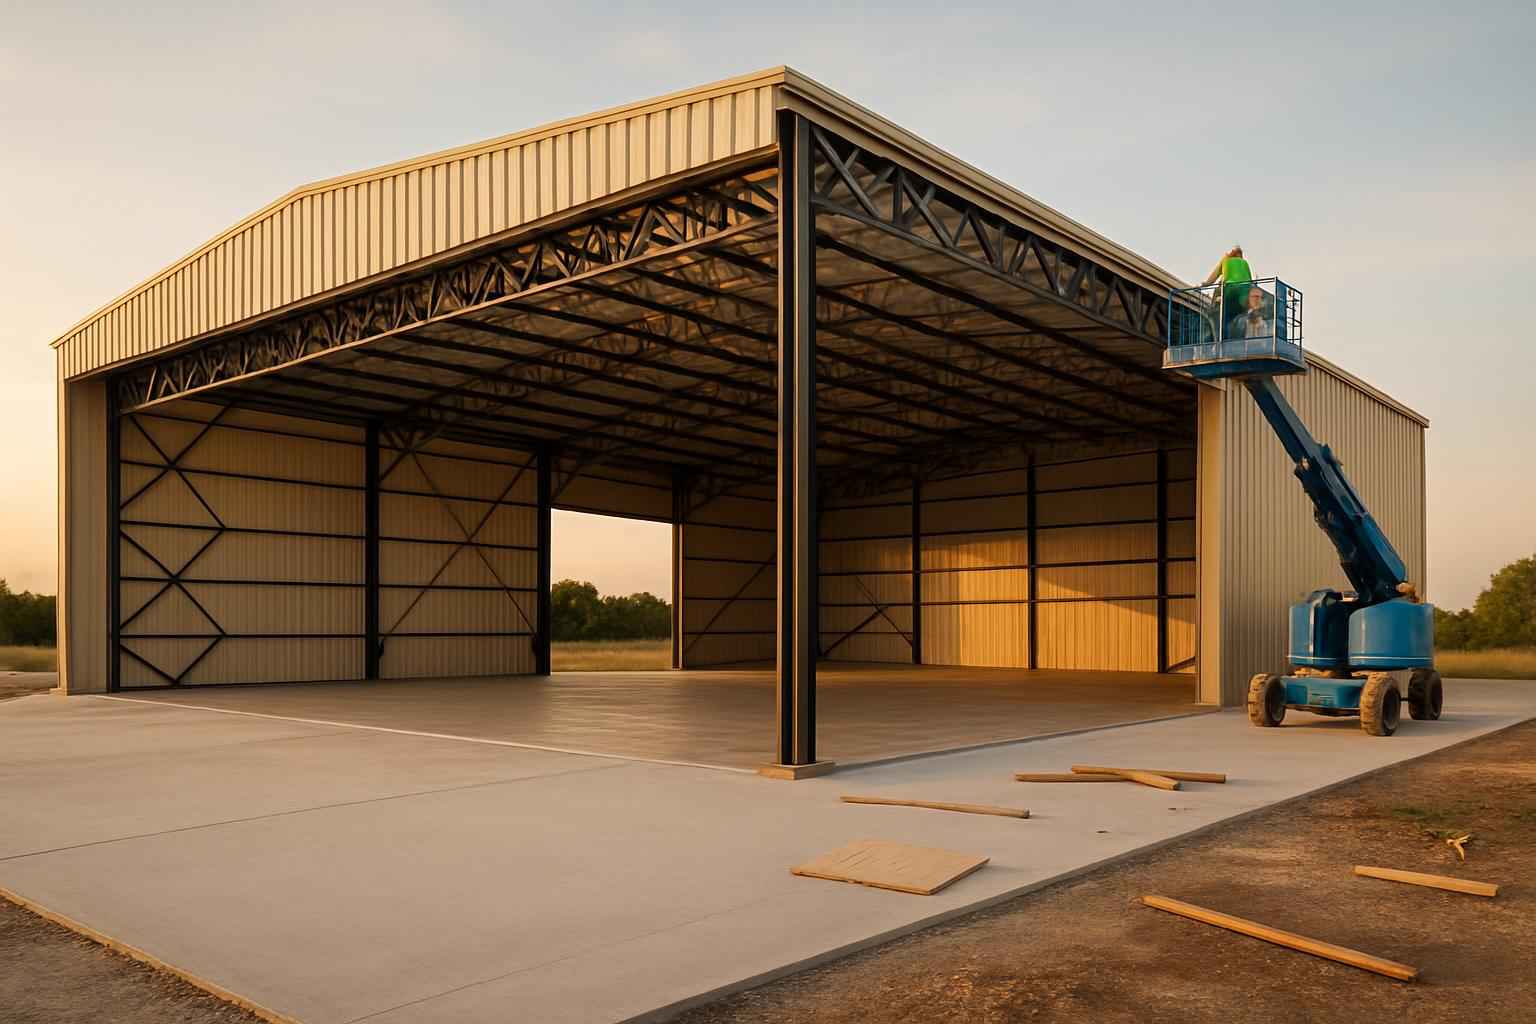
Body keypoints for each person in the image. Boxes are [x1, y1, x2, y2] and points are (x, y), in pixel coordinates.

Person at [1202, 245, 1252, 338]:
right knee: (1238, 316)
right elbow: (1250, 280)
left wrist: (1205, 284)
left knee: (1221, 316)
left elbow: (1213, 277)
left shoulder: (1226, 260)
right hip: (1244, 293)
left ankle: (1214, 308)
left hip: (1230, 290)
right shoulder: (1245, 263)